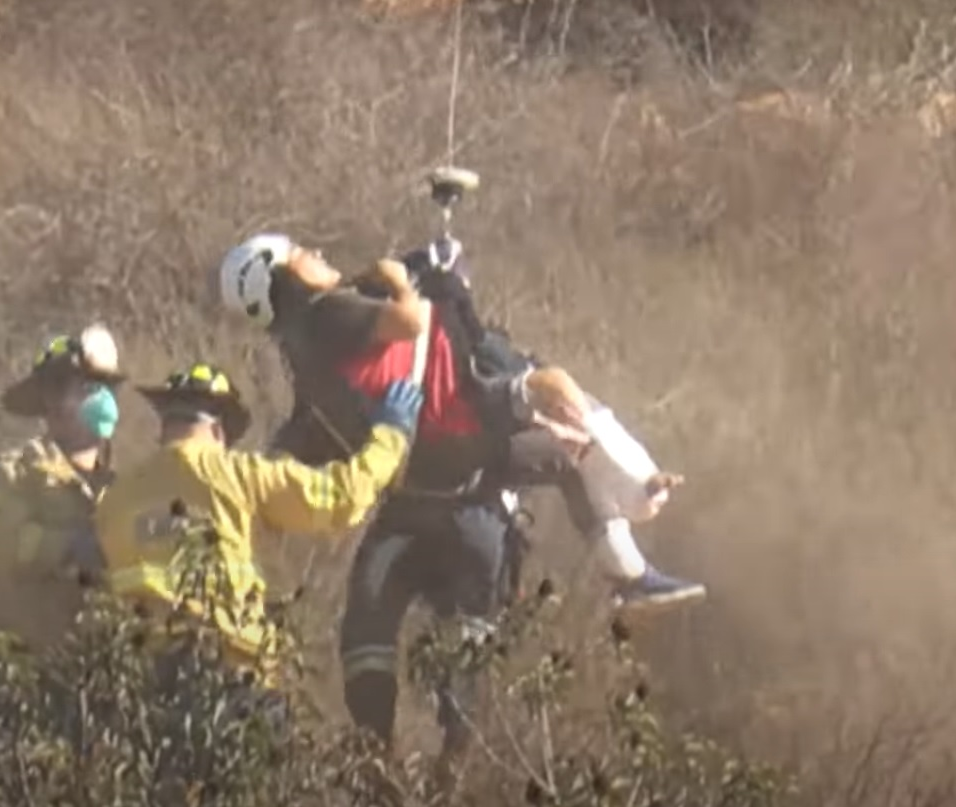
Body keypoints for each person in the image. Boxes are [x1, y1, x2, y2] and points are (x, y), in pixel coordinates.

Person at [213, 232, 704, 784]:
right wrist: (401, 279)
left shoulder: (309, 353)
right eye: (301, 254)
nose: (317, 255)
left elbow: (312, 431)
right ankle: (630, 569)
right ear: (277, 276)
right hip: (449, 471)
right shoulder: (331, 316)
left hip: (428, 491)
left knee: (376, 628)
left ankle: (388, 765)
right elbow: (413, 324)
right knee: (560, 423)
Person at [94, 361, 422, 708]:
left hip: (140, 686)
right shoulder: (238, 474)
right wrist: (391, 434)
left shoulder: (115, 500)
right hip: (232, 674)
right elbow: (341, 497)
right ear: (219, 431)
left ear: (164, 426)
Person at [0, 324, 127, 738]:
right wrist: (68, 547)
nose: (79, 398)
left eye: (92, 388)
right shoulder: (15, 470)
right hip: (3, 669)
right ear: (48, 403)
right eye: (67, 388)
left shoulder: (125, 492)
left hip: (82, 680)